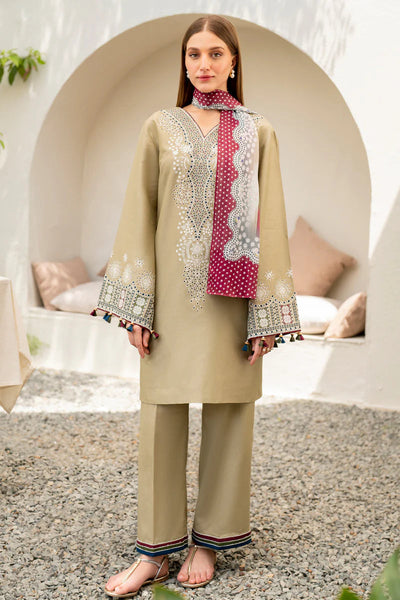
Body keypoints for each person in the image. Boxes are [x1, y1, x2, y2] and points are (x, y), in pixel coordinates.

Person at [90, 14, 303, 598]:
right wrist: (137, 305)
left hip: (234, 297)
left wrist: (267, 313)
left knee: (230, 410)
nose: (203, 64)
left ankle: (209, 540)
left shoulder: (258, 131)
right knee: (160, 411)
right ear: (183, 63)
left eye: (214, 53)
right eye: (193, 54)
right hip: (170, 299)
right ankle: (154, 551)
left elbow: (270, 221)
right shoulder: (160, 126)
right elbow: (139, 212)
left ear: (234, 61)